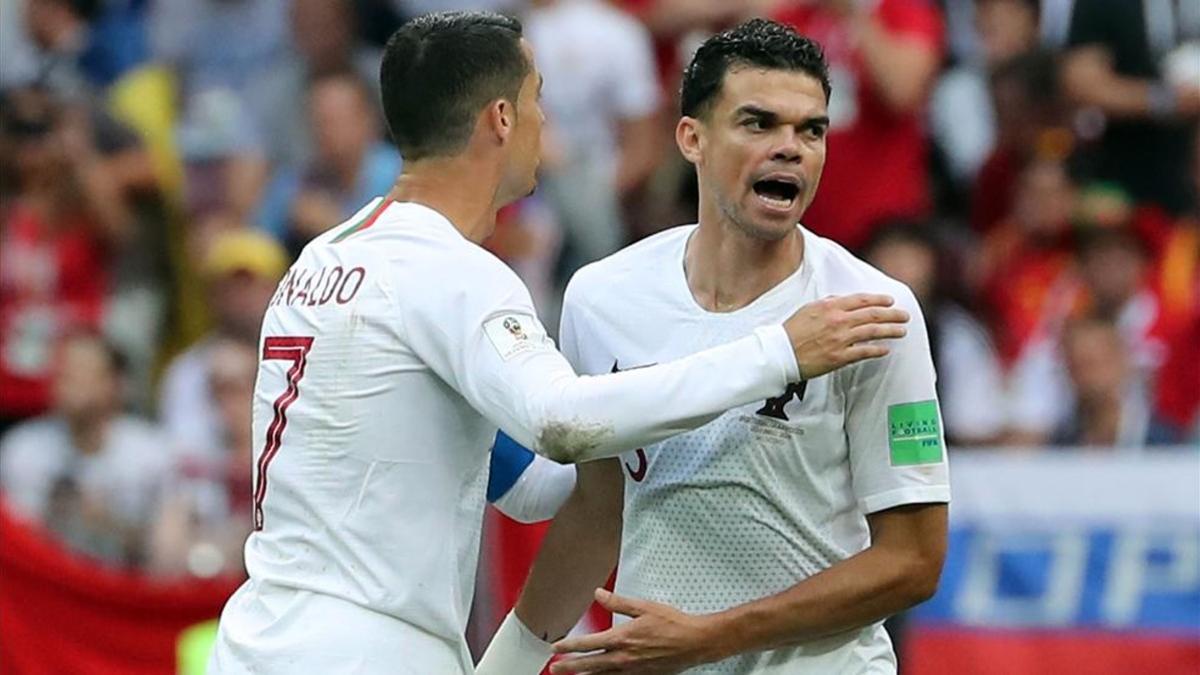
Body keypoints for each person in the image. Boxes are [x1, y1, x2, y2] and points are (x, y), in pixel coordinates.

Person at [208, 12, 910, 675]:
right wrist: (775, 354)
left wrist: (663, 453)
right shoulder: (456, 276)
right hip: (371, 648)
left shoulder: (323, 260)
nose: (549, 123)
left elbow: (536, 484)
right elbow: (563, 421)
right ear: (503, 119)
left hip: (258, 638)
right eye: (539, 100)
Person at [477, 19, 949, 675]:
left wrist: (713, 635)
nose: (791, 148)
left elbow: (913, 561)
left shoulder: (873, 312)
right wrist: (505, 666)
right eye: (758, 124)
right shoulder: (601, 298)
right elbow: (596, 508)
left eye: (810, 129)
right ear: (691, 138)